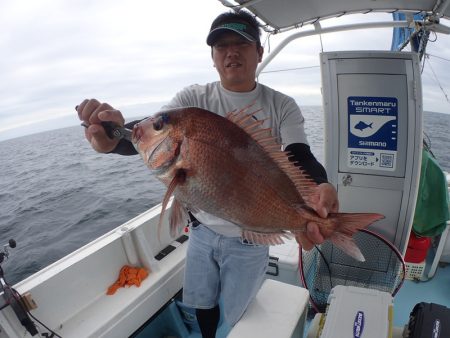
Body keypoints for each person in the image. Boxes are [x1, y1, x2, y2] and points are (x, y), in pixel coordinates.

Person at [77, 10, 338, 338]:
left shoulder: (281, 105)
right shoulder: (191, 102)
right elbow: (144, 135)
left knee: (238, 310)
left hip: (249, 238)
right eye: (221, 46)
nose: (231, 52)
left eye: (241, 43)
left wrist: (321, 186)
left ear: (259, 51)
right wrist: (112, 139)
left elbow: (299, 155)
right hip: (200, 233)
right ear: (213, 58)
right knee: (200, 304)